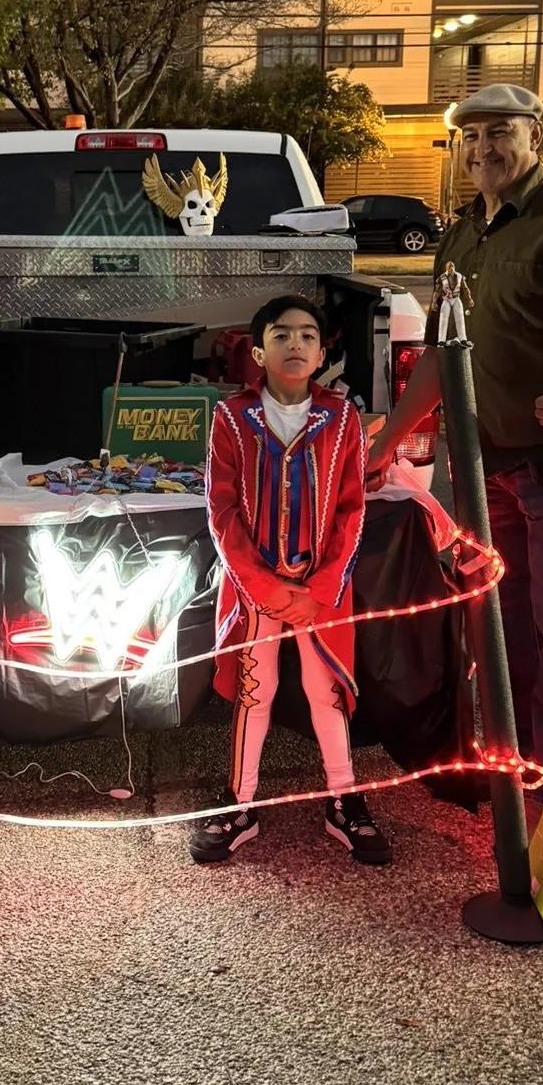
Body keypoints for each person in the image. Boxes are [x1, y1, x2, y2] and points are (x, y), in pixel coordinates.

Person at [369, 84, 543, 819]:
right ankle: (521, 767)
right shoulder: (463, 234)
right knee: (508, 625)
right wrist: (388, 439)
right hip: (487, 464)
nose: (483, 148)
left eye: (500, 132)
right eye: (470, 137)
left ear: (535, 136)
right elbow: (439, 355)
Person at [192, 295, 393, 866]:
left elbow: (352, 511)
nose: (296, 344)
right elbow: (222, 511)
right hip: (258, 589)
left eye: (308, 335)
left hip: (320, 589)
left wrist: (322, 587)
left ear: (323, 349)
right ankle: (239, 801)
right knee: (257, 693)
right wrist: (264, 586)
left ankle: (342, 796)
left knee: (324, 691)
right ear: (258, 351)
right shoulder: (231, 417)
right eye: (281, 335)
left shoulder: (344, 418)